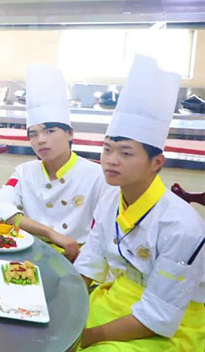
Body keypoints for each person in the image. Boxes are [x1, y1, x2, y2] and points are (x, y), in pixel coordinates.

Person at [74, 55, 205, 350]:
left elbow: (158, 317)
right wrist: (65, 312)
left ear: (157, 162)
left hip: (175, 321)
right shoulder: (111, 197)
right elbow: (89, 264)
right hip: (117, 297)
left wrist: (82, 338)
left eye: (126, 153)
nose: (111, 160)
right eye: (107, 149)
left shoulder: (182, 227)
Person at [0, 65, 114, 262]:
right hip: (29, 252)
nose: (41, 140)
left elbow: (107, 231)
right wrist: (49, 232)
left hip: (78, 259)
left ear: (70, 133)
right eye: (33, 134)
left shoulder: (97, 176)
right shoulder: (25, 172)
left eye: (50, 131)